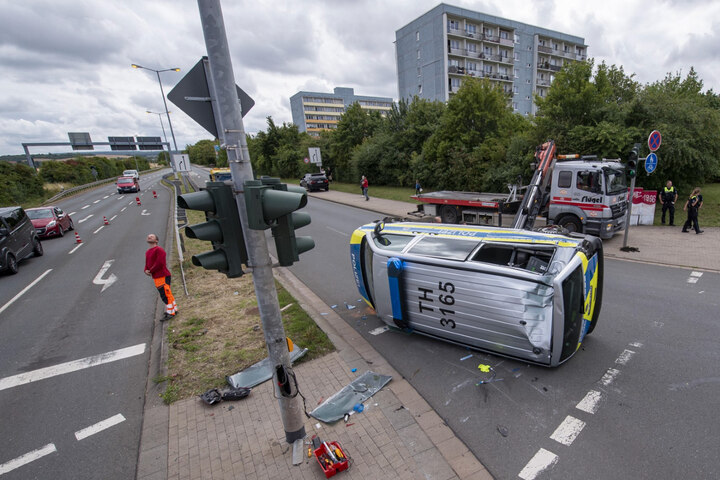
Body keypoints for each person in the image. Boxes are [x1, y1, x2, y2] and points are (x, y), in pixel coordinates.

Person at [145, 233, 178, 320]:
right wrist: (145, 270)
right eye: (148, 236)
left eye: (151, 236)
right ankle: (174, 309)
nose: (149, 237)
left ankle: (171, 312)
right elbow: (147, 263)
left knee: (165, 294)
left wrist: (150, 271)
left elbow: (160, 263)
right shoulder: (148, 252)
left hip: (163, 275)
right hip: (157, 277)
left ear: (156, 240)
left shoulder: (159, 250)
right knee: (166, 293)